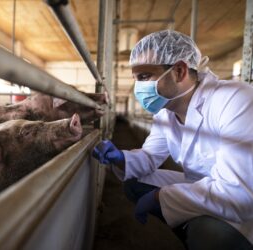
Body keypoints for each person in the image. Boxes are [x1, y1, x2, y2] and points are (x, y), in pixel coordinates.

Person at [92, 30, 253, 250]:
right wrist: (121, 158)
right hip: (204, 186)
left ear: (178, 71)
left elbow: (238, 195)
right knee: (135, 183)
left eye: (144, 77)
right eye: (136, 79)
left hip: (243, 203)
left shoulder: (235, 99)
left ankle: (201, 232)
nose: (139, 88)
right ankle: (190, 228)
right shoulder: (165, 112)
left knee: (210, 236)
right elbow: (150, 157)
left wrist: (161, 196)